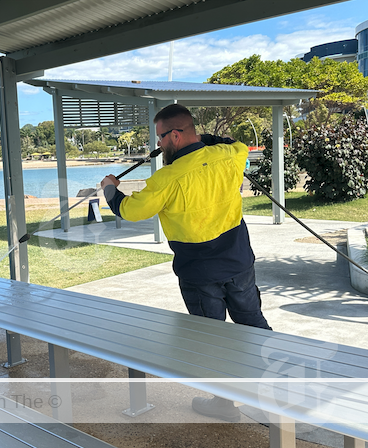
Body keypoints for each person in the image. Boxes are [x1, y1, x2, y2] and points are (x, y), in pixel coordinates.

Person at [101, 104, 272, 422]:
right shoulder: (230, 155)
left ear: (174, 135)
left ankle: (225, 404)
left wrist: (111, 188)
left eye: (161, 138)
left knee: (211, 338)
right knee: (254, 325)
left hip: (200, 273)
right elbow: (234, 144)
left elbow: (130, 210)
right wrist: (200, 137)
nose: (159, 146)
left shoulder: (167, 178)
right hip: (238, 261)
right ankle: (273, 396)